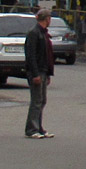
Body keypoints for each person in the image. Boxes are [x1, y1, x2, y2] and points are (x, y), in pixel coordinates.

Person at [24, 8, 56, 139]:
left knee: (42, 100)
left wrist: (48, 73)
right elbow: (31, 55)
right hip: (36, 72)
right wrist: (35, 74)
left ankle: (39, 127)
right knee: (36, 101)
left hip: (43, 71)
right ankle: (31, 129)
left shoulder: (43, 33)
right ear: (46, 19)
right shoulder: (34, 33)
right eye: (49, 18)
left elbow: (46, 55)